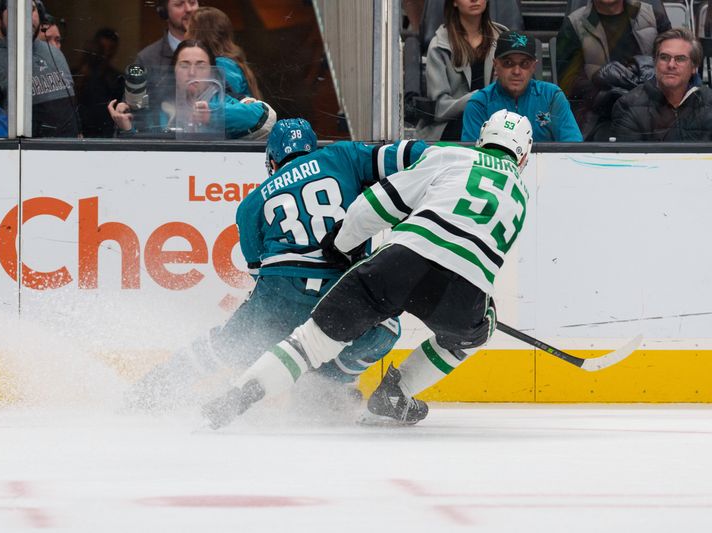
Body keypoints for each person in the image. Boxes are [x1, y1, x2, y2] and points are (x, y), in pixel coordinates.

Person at [201, 110, 534, 429]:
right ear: (523, 159)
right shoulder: (520, 195)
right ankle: (394, 394)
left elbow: (377, 206)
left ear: (479, 140)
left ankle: (239, 394)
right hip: (461, 288)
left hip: (400, 262)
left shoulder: (452, 156)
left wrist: (340, 244)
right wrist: (477, 316)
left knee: (311, 341)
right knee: (471, 334)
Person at [128, 118, 427, 409]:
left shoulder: (252, 203)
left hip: (280, 289)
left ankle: (152, 389)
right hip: (339, 287)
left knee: (225, 346)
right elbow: (409, 154)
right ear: (312, 148)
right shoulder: (341, 156)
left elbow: (258, 272)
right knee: (385, 330)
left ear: (272, 160)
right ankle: (323, 385)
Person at [108, 40, 274, 139]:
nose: (192, 72)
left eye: (200, 65)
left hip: (213, 186)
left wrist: (215, 114)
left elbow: (268, 118)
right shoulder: (156, 105)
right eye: (184, 65)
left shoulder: (226, 100)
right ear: (174, 69)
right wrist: (127, 129)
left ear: (212, 71)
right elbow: (139, 154)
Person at [555, 0, 671, 140]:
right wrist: (605, 94)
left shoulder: (653, 17)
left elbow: (673, 62)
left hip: (654, 109)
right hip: (599, 116)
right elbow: (568, 81)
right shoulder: (574, 24)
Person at [0, 0, 80, 137]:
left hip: (71, 152)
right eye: (18, 10)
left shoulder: (54, 52)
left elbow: (70, 109)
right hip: (24, 155)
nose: (26, 17)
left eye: (32, 9)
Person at [461, 31, 582, 142]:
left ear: (534, 66)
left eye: (525, 64)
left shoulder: (552, 97)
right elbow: (471, 156)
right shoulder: (479, 103)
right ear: (496, 65)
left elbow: (573, 146)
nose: (517, 71)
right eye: (508, 63)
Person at [415, 0, 506, 140]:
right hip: (451, 125)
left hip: (494, 121)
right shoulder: (439, 46)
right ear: (454, 3)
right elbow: (440, 108)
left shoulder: (503, 39)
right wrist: (478, 98)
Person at [611, 28, 712, 141]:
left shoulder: (709, 102)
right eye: (664, 58)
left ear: (694, 67)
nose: (671, 65)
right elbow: (628, 157)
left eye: (680, 59)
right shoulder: (628, 105)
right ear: (655, 63)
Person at [132, 0, 199, 131]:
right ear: (163, 12)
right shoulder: (146, 59)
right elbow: (135, 114)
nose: (189, 9)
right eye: (179, 4)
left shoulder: (216, 52)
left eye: (192, 2)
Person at [185, 6, 262, 99]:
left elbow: (227, 102)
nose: (186, 35)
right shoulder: (224, 63)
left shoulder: (223, 64)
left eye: (189, 30)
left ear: (200, 35)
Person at [74, 28, 123, 138]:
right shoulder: (77, 74)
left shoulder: (116, 78)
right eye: (101, 48)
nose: (106, 53)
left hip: (106, 136)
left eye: (110, 49)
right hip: (80, 134)